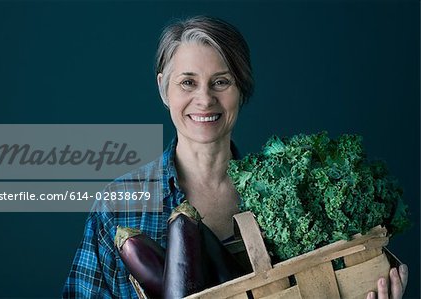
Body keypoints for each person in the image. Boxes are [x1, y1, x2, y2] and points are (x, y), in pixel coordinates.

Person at [62, 16, 408, 299]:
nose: (204, 99)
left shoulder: (291, 195)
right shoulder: (120, 205)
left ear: (241, 89)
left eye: (221, 82)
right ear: (163, 89)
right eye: (187, 82)